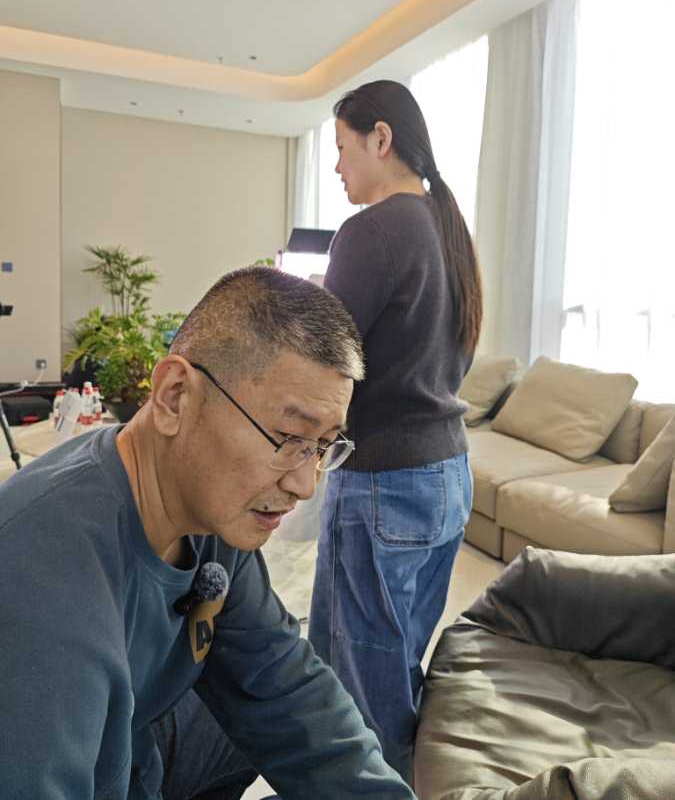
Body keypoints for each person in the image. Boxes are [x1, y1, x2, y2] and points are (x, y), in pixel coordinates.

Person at [0, 267, 417, 800]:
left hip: (136, 749)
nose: (305, 484)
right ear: (175, 396)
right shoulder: (43, 588)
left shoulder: (211, 515)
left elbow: (283, 682)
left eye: (322, 447)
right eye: (289, 438)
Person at [308, 80, 483, 783]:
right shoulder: (447, 230)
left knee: (363, 682)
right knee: (392, 661)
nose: (336, 166)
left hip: (385, 482)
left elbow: (319, 364)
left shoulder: (372, 230)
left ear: (380, 138)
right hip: (447, 475)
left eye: (341, 147)